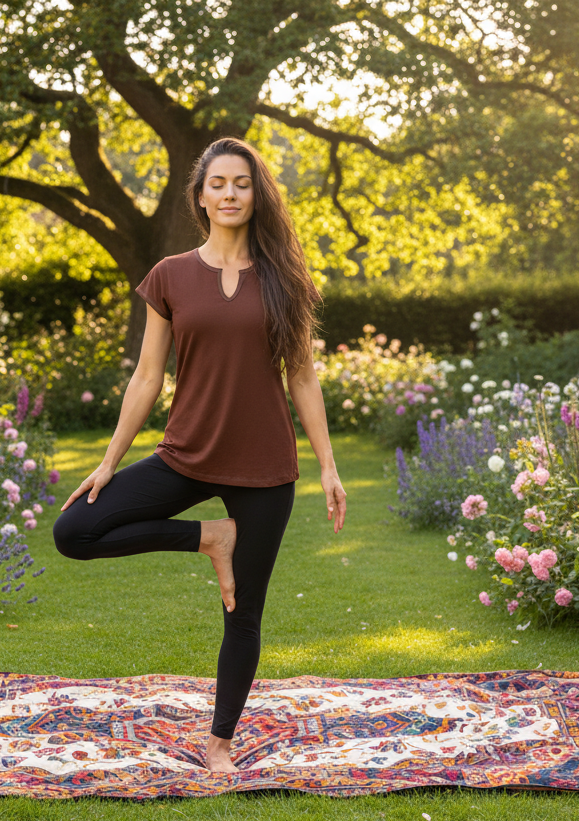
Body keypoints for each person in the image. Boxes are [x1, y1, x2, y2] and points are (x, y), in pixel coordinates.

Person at [52, 137, 347, 773]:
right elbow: (146, 377)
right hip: (185, 453)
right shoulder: (171, 275)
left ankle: (220, 741)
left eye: (242, 183)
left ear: (256, 193)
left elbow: (302, 375)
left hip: (265, 466)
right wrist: (108, 461)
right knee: (74, 530)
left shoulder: (284, 278)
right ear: (201, 196)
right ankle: (209, 537)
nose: (231, 194)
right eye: (218, 184)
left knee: (243, 612)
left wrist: (327, 464)